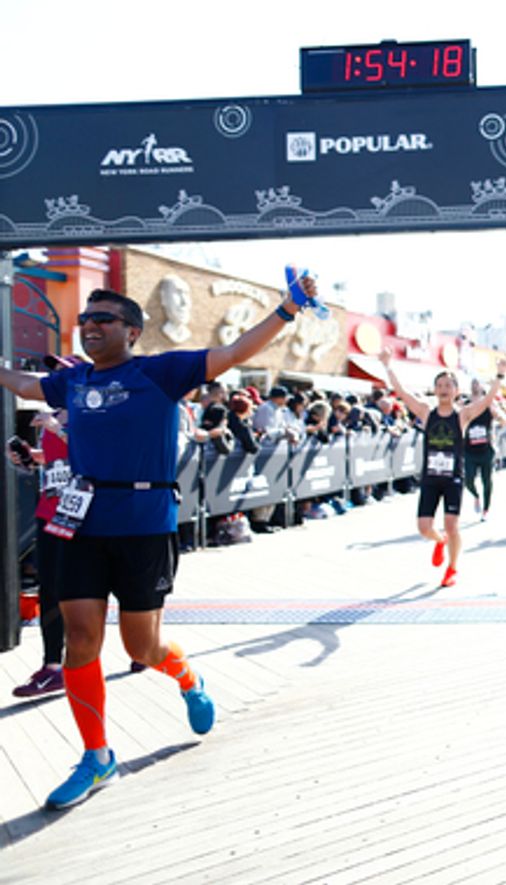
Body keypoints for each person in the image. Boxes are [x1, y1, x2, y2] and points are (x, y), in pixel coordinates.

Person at [0, 277, 320, 810]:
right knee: (81, 639)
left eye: (103, 318)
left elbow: (237, 350)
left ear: (132, 330)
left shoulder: (160, 372)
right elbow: (23, 384)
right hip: (80, 524)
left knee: (141, 648)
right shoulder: (72, 382)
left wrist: (287, 308)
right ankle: (97, 756)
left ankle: (189, 679)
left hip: (144, 524)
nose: (90, 325)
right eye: (85, 318)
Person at [380, 350, 506, 587]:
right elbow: (402, 392)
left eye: (449, 385)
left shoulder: (463, 415)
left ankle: (452, 568)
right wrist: (388, 366)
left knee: (452, 523)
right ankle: (440, 541)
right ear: (435, 390)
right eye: (440, 385)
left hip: (452, 479)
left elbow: (488, 400)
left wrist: (499, 375)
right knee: (424, 527)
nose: (444, 388)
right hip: (430, 478)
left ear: (456, 390)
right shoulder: (426, 413)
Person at [8, 406, 71, 698]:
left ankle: (143, 646)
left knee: (84, 591)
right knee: (50, 591)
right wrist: (31, 457)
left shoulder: (91, 407)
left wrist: (57, 428)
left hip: (82, 515)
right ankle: (53, 666)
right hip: (49, 512)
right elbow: (57, 460)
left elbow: (95, 453)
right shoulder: (56, 412)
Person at [462, 376, 504, 522]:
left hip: (486, 449)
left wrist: (497, 413)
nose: (474, 385)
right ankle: (476, 496)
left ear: (481, 387)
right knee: (468, 480)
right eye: (472, 383)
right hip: (469, 449)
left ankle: (486, 509)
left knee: (487, 480)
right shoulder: (465, 404)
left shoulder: (489, 404)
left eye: (477, 383)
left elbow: (503, 418)